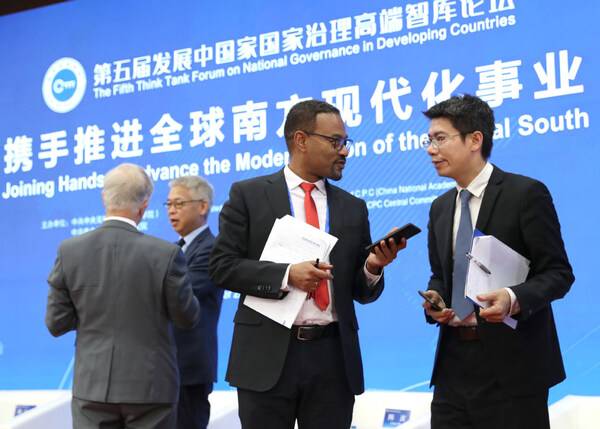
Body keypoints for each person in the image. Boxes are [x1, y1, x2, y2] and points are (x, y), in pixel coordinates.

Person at [209, 99, 405, 429]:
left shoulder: (352, 207)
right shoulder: (249, 195)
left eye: (346, 142)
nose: (344, 151)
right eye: (335, 142)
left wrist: (373, 266)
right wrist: (286, 275)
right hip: (267, 356)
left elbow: (361, 291)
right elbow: (221, 267)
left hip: (332, 358)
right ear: (301, 140)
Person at [420, 94, 574, 429]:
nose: (431, 149)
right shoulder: (441, 207)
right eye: (429, 140)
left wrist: (513, 298)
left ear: (475, 139)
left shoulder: (525, 194)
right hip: (452, 367)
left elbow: (558, 273)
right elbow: (440, 276)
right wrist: (436, 300)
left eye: (440, 139)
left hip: (514, 369)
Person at [45, 163, 200, 429]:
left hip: (91, 388)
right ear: (145, 204)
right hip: (151, 388)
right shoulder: (166, 254)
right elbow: (187, 318)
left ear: (105, 197)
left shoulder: (69, 251)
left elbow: (56, 324)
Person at [165, 176, 223, 429]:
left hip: (190, 367)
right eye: (168, 204)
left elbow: (184, 292)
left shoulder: (212, 248)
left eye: (178, 203)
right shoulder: (175, 249)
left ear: (202, 206)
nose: (171, 210)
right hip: (168, 366)